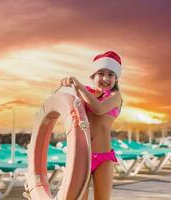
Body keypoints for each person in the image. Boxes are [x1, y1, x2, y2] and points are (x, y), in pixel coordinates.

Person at [60, 51, 123, 200]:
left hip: (104, 158)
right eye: (100, 73)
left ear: (116, 79)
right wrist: (71, 84)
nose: (106, 78)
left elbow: (99, 109)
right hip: (82, 156)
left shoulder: (115, 97)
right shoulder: (84, 93)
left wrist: (79, 85)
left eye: (111, 74)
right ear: (92, 76)